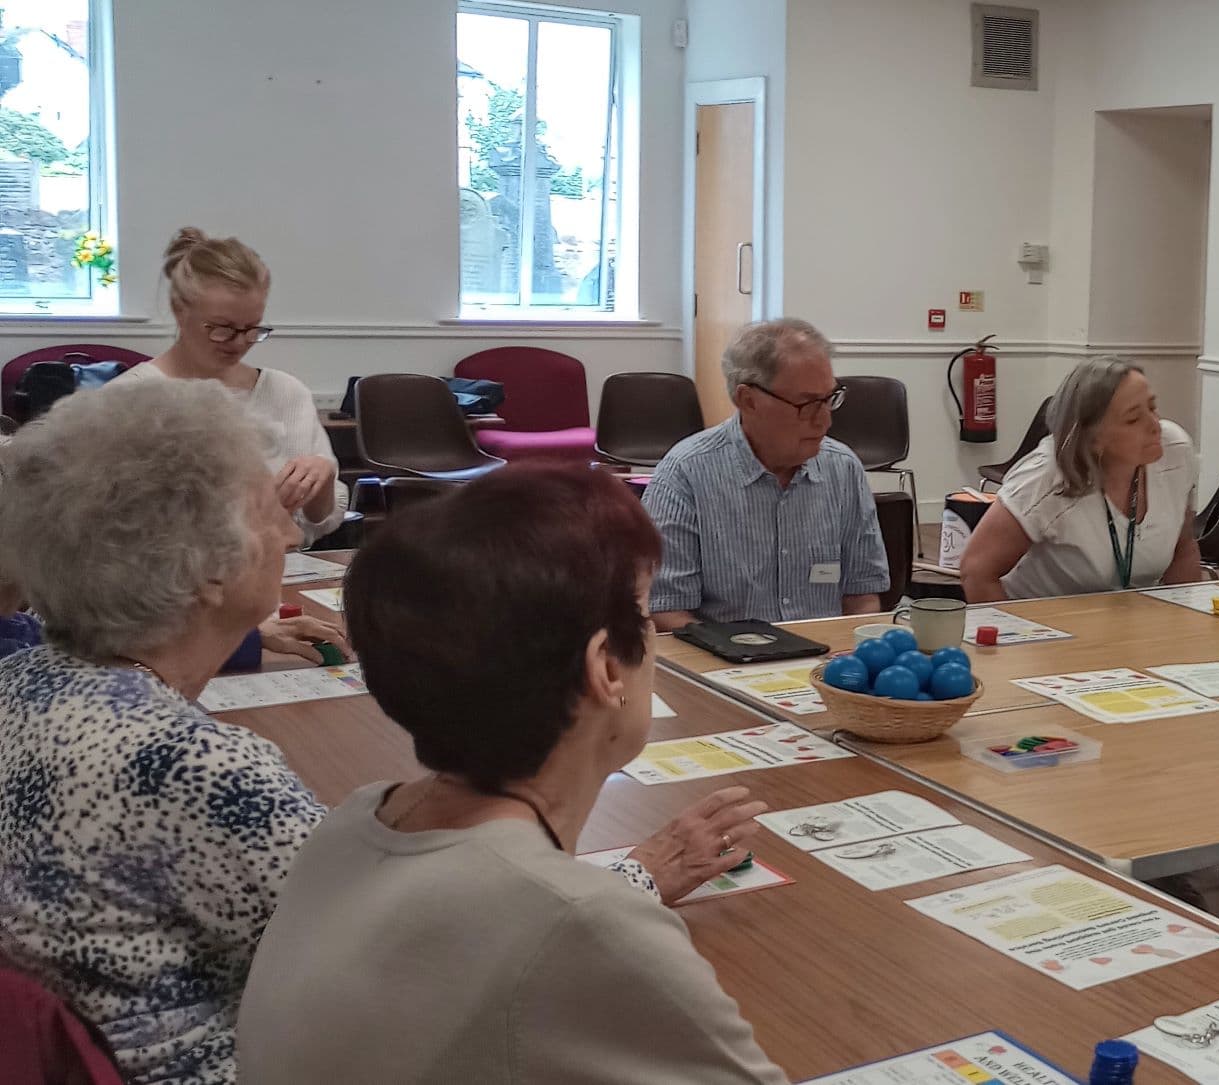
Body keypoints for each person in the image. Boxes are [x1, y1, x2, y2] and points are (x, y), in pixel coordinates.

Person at [238, 464, 787, 1082]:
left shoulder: (357, 819)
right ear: (607, 668)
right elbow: (550, 925)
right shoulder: (583, 924)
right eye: (644, 615)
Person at [0, 378, 328, 1084]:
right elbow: (404, 959)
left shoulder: (19, 678)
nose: (292, 533)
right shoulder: (196, 765)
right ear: (209, 567)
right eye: (271, 509)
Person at [647, 318, 888, 629]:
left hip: (828, 654)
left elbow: (862, 594)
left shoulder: (842, 468)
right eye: (806, 403)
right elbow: (666, 608)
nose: (824, 421)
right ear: (748, 400)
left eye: (829, 399)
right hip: (722, 653)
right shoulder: (686, 473)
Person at [114, 228, 345, 546]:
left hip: (281, 571)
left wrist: (322, 480)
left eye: (252, 328)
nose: (238, 343)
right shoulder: (126, 400)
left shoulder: (286, 393)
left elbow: (319, 522)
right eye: (221, 328)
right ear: (180, 310)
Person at [959, 357, 1203, 601]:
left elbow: (1183, 550)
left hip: (1131, 618)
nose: (1155, 425)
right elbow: (976, 570)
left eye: (1152, 407)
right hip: (1044, 616)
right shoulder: (1044, 478)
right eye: (1133, 419)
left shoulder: (1175, 450)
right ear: (1093, 437)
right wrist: (1010, 625)